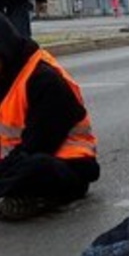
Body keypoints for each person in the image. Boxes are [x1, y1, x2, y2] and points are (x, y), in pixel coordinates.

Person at [0, 15, 99, 221]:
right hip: (13, 162)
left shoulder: (45, 80)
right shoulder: (6, 73)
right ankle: (12, 196)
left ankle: (28, 198)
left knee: (35, 167)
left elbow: (36, 146)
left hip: (65, 166)